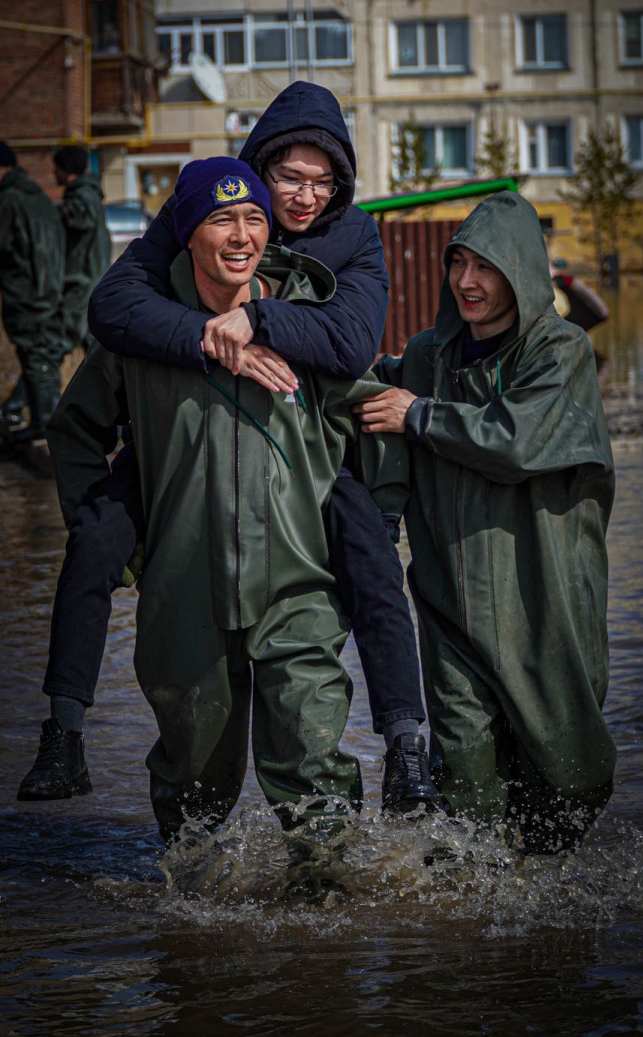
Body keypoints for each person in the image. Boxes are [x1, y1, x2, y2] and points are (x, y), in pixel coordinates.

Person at [18, 83, 439, 816]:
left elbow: (351, 348)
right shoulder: (202, 210)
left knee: (370, 555)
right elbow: (112, 307)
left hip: (305, 468)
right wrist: (206, 342)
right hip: (182, 471)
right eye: (288, 179)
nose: (303, 197)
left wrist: (255, 324)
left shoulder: (353, 237)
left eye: (323, 180)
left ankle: (406, 746)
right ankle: (64, 732)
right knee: (93, 537)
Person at [354, 191, 617, 854]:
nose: (467, 282)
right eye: (459, 264)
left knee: (565, 782)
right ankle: (472, 932)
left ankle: (549, 937)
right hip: (451, 605)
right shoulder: (426, 358)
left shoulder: (561, 353)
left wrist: (420, 416)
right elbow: (359, 392)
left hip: (543, 601)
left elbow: (519, 440)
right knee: (468, 787)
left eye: (487, 267)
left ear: (522, 271)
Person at [0, 142, 64, 442]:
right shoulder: (37, 196)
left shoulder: (9, 199)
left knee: (36, 357)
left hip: (26, 292)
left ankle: (46, 425)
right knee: (41, 356)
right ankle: (43, 424)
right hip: (48, 289)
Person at [53, 144, 111, 356]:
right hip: (90, 278)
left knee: (55, 346)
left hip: (83, 279)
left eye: (56, 168)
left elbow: (83, 218)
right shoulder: (87, 193)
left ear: (66, 170)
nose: (53, 174)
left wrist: (58, 214)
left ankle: (38, 387)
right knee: (96, 350)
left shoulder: (83, 196)